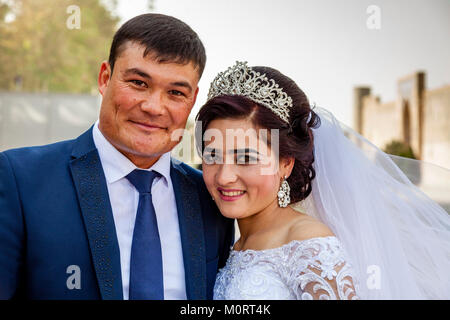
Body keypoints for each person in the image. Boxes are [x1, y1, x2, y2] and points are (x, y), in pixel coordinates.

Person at [0, 14, 234, 300]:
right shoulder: (20, 178)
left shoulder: (209, 196)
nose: (153, 107)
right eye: (138, 83)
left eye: (175, 92)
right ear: (105, 78)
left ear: (192, 99)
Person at [195, 61, 450, 299]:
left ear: (285, 162)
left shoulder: (308, 244)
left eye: (246, 158)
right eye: (213, 155)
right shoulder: (232, 241)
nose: (225, 176)